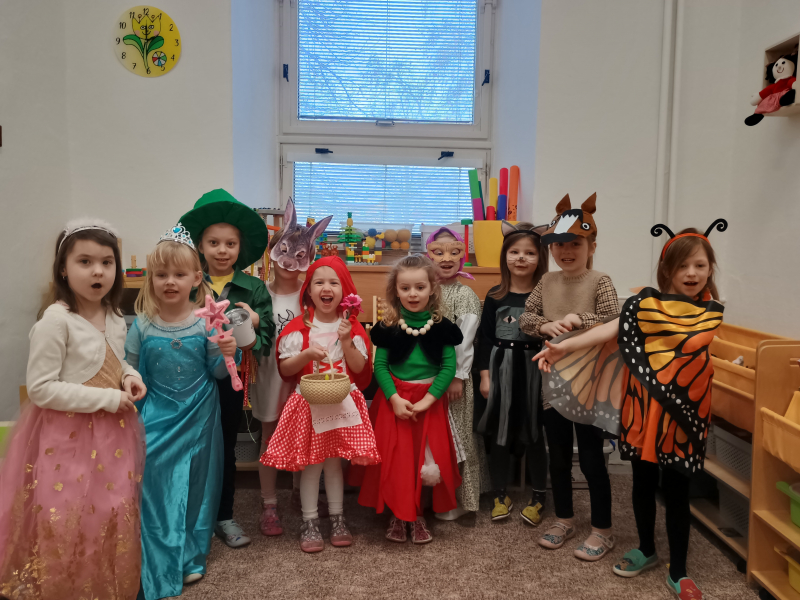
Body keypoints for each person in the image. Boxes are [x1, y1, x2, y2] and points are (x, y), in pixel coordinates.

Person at [533, 220, 728, 600]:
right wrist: (563, 347)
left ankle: (680, 570)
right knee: (642, 482)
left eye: (700, 266)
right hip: (643, 410)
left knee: (678, 489)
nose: (691, 273)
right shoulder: (644, 304)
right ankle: (647, 549)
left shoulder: (711, 310)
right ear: (667, 269)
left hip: (685, 413)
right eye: (683, 266)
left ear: (710, 269)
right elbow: (609, 331)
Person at [0, 219, 146, 600]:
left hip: (113, 435)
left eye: (107, 262)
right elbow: (41, 388)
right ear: (63, 268)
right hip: (67, 437)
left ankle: (99, 583)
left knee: (109, 508)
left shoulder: (115, 316)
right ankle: (62, 586)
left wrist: (129, 376)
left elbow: (115, 360)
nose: (98, 271)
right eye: (85, 262)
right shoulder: (56, 320)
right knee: (67, 511)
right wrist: (108, 399)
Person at [125, 223, 239, 597]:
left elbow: (218, 372)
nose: (170, 281)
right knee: (153, 481)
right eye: (161, 275)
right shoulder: (142, 326)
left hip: (200, 416)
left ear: (196, 278)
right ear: (151, 279)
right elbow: (131, 373)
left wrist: (227, 352)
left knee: (196, 485)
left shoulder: (206, 322)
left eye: (178, 274)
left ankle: (191, 554)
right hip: (156, 415)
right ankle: (155, 547)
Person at [519, 193, 619, 561]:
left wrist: (580, 320)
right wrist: (545, 325)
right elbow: (527, 318)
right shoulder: (546, 281)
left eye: (575, 243)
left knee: (591, 460)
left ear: (592, 246)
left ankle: (602, 530)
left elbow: (613, 319)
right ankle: (564, 519)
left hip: (591, 381)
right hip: (553, 381)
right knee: (558, 456)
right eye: (559, 244)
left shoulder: (600, 280)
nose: (566, 251)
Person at [261, 256, 378, 553]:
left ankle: (338, 518)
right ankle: (310, 521)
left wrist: (347, 341)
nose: (327, 288)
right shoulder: (298, 328)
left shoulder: (351, 327)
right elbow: (286, 369)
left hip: (342, 403)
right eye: (319, 282)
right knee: (312, 466)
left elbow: (360, 369)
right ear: (309, 291)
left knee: (335, 465)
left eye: (334, 282)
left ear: (345, 291)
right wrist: (306, 355)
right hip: (309, 404)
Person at [180, 189, 275, 548]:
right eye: (214, 243)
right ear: (200, 246)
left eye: (230, 244)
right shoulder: (186, 281)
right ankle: (189, 515)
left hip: (229, 380)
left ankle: (223, 515)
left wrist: (253, 321)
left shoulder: (254, 288)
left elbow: (265, 339)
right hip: (188, 379)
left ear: (240, 247)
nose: (222, 250)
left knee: (224, 446)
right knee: (189, 446)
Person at [356, 255, 464, 544]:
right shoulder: (389, 326)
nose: (413, 294)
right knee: (397, 460)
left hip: (429, 402)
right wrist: (393, 399)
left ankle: (416, 514)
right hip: (394, 402)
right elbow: (380, 366)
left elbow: (448, 367)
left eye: (419, 287)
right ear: (396, 291)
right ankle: (398, 514)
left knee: (425, 460)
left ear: (432, 289)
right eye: (405, 288)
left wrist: (428, 400)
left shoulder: (442, 327)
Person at [251, 199, 332, 536]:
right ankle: (269, 504)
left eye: (299, 255)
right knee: (270, 436)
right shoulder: (260, 293)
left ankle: (301, 494)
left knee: (305, 434)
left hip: (304, 376)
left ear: (308, 257)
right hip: (270, 375)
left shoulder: (310, 294)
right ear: (273, 251)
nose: (288, 261)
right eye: (283, 251)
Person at [476, 221, 550, 525]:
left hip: (535, 371)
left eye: (529, 253)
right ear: (505, 256)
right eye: (515, 252)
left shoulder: (547, 296)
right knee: (501, 432)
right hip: (500, 370)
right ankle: (500, 494)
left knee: (534, 432)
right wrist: (485, 376)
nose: (521, 258)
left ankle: (539, 496)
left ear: (540, 257)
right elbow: (485, 339)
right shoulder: (495, 295)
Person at [425, 226, 490, 521]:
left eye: (454, 252)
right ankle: (434, 495)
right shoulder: (426, 290)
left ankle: (461, 500)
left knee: (459, 436)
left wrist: (456, 377)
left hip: (453, 379)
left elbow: (464, 341)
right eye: (438, 252)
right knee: (436, 438)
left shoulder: (464, 294)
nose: (446, 259)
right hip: (427, 377)